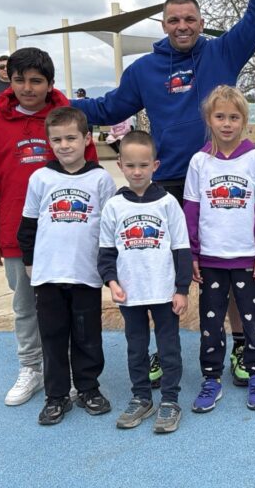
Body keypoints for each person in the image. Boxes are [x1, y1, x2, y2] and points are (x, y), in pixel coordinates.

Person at [71, 0, 255, 384]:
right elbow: (109, 107)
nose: (183, 26)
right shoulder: (144, 69)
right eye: (174, 20)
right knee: (162, 271)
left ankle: (241, 348)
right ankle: (165, 351)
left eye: (190, 19)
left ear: (201, 22)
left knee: (230, 271)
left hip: (219, 180)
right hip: (166, 186)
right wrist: (60, 103)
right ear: (163, 25)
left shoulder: (222, 52)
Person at [0, 47, 98, 407]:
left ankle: (68, 371)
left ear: (50, 83)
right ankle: (31, 366)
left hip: (68, 233)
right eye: (19, 80)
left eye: (36, 81)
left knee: (68, 308)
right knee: (26, 305)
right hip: (17, 233)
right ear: (8, 81)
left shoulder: (68, 121)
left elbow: (90, 174)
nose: (28, 88)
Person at [17, 107, 115, 426]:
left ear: (87, 139)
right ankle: (56, 395)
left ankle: (88, 388)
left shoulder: (101, 179)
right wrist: (30, 262)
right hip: (48, 275)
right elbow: (28, 225)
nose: (64, 145)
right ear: (49, 142)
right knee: (53, 336)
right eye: (57, 139)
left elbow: (111, 228)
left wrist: (108, 267)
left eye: (71, 138)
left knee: (88, 336)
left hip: (86, 274)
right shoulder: (40, 178)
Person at [184, 85, 255, 412]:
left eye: (234, 117)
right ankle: (211, 378)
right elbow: (191, 209)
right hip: (210, 259)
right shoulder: (199, 161)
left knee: (252, 320)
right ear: (209, 120)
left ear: (244, 121)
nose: (227, 124)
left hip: (246, 257)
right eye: (220, 116)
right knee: (210, 323)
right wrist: (192, 253)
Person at [99, 130, 192, 434]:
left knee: (168, 348)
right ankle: (141, 397)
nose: (137, 172)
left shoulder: (168, 203)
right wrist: (111, 281)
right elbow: (106, 251)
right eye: (130, 165)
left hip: (164, 292)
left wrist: (182, 289)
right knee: (135, 348)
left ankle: (170, 400)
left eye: (143, 165)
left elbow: (181, 248)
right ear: (120, 166)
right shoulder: (114, 206)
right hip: (130, 293)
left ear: (155, 165)